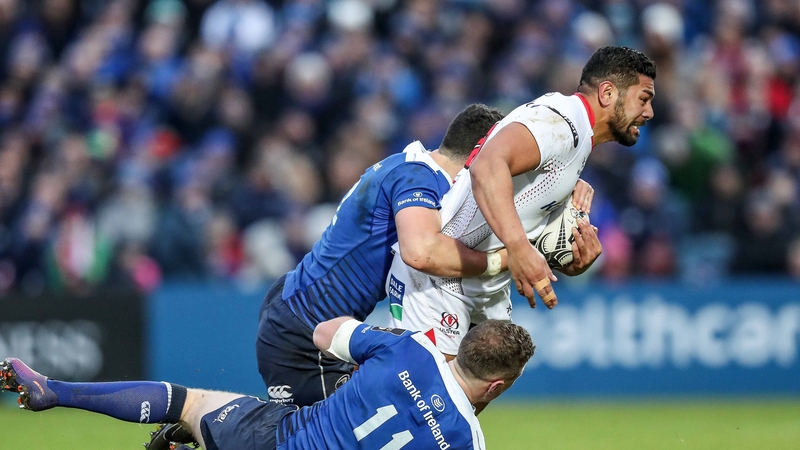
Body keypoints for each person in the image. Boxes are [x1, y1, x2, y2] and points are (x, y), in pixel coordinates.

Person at [386, 46, 655, 358]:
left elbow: (523, 209)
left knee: (497, 373)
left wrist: (567, 257)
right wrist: (518, 248)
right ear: (607, 93)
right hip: (440, 282)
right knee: (431, 403)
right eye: (644, 99)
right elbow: (487, 167)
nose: (649, 112)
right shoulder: (562, 124)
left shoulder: (577, 136)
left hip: (482, 287)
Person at [256, 104, 506, 407]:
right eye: (503, 156)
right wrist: (502, 262)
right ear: (480, 151)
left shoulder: (410, 165)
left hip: (304, 313)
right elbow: (420, 252)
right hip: (305, 329)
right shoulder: (419, 178)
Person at [1, 317, 535, 450]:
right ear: (498, 386)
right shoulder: (470, 442)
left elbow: (325, 333)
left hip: (275, 437)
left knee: (189, 403)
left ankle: (58, 391)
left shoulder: (411, 348)